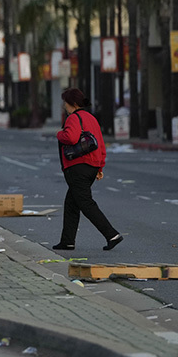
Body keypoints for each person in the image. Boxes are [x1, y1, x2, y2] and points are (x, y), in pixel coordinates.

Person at [53, 87, 123, 252]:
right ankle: (67, 241)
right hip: (91, 167)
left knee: (85, 203)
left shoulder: (73, 118)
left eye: (65, 102)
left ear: (72, 103)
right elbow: (101, 145)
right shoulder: (91, 118)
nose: (64, 106)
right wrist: (100, 167)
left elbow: (70, 137)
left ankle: (111, 235)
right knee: (71, 203)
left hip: (77, 167)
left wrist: (59, 134)